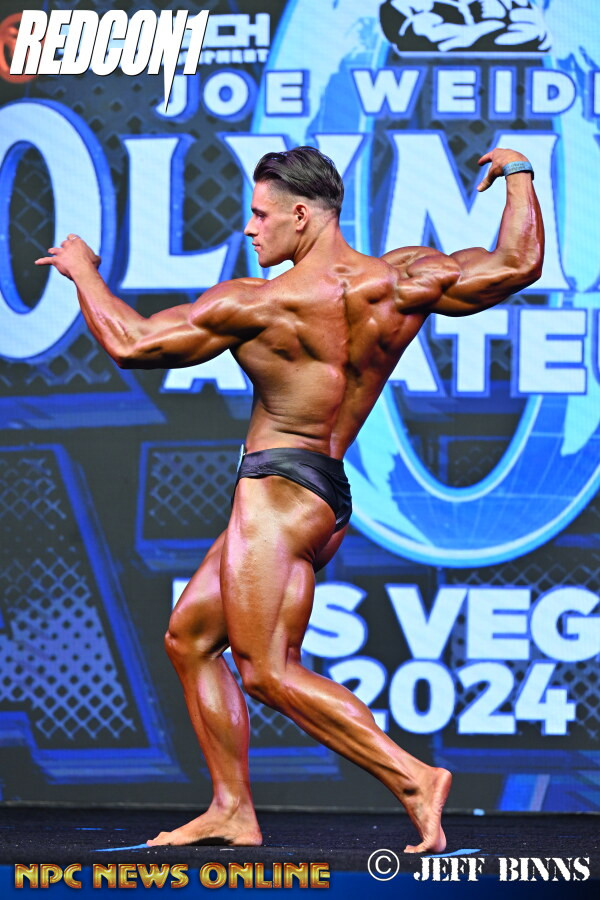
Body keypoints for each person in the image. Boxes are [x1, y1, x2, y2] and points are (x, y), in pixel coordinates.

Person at [36, 145, 543, 853]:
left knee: (268, 670)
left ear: (301, 214)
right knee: (191, 637)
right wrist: (518, 173)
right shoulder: (403, 280)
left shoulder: (258, 303)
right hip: (324, 491)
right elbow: (517, 263)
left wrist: (82, 270)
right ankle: (232, 809)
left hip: (275, 494)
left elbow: (132, 342)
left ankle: (413, 778)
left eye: (260, 214)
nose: (250, 228)